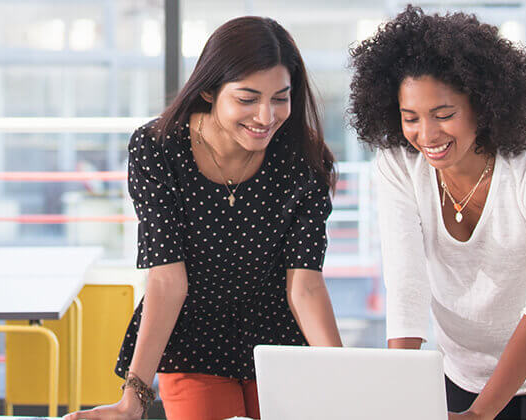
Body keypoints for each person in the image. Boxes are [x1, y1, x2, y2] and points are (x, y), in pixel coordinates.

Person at [64, 16, 342, 420]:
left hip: (280, 341)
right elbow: (166, 280)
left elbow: (305, 286)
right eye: (247, 99)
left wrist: (346, 379)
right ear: (210, 90)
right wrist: (133, 400)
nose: (266, 117)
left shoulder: (304, 159)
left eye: (280, 98)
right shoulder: (157, 148)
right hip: (193, 339)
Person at [348, 5, 526, 420]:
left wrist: (480, 414)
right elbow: (406, 290)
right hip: (465, 366)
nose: (427, 135)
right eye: (410, 118)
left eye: (444, 114)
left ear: (483, 106)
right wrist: (396, 397)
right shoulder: (398, 166)